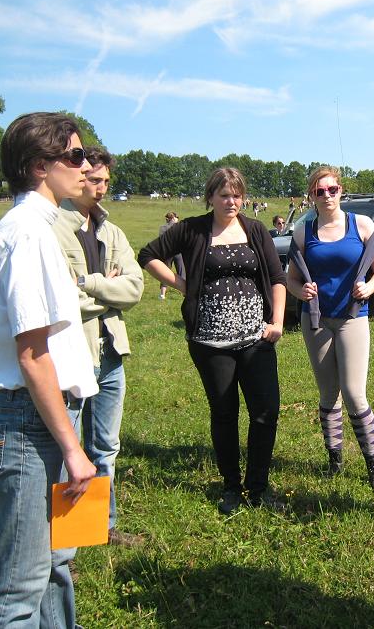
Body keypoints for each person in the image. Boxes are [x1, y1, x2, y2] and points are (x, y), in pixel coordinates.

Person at [0, 112, 98, 628]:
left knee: (57, 564)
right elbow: (33, 356)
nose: (86, 166)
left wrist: (10, 373)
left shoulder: (32, 229)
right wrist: (73, 448)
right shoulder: (27, 234)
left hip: (44, 414)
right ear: (41, 166)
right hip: (34, 427)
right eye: (76, 156)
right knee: (20, 587)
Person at [138, 167, 286, 514]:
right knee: (224, 414)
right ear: (211, 197)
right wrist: (181, 284)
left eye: (236, 195)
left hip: (256, 338)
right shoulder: (192, 229)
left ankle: (259, 488)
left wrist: (277, 321)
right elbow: (148, 255)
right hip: (209, 342)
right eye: (224, 195)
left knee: (266, 412)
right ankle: (232, 488)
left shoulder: (256, 229)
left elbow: (277, 277)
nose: (231, 201)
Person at [52, 146, 144, 547]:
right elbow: (59, 298)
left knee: (105, 447)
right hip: (73, 354)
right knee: (68, 451)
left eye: (106, 180)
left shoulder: (112, 231)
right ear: (78, 177)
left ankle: (100, 527)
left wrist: (89, 283)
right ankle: (66, 540)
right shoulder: (54, 227)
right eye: (95, 179)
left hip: (110, 354)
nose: (102, 188)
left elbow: (135, 288)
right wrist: (109, 288)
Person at [286, 166, 374, 493]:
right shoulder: (304, 232)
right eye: (321, 191)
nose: (328, 195)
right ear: (312, 196)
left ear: (341, 191)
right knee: (328, 393)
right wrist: (300, 292)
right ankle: (335, 461)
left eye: (332, 189)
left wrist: (369, 288)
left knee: (354, 393)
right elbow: (290, 278)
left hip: (352, 317)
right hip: (316, 320)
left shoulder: (361, 225)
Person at [158, 212, 186, 299]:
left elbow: (161, 240)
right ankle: (184, 292)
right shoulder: (179, 227)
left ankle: (162, 294)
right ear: (174, 218)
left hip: (167, 252)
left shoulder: (162, 228)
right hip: (178, 252)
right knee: (181, 271)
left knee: (165, 272)